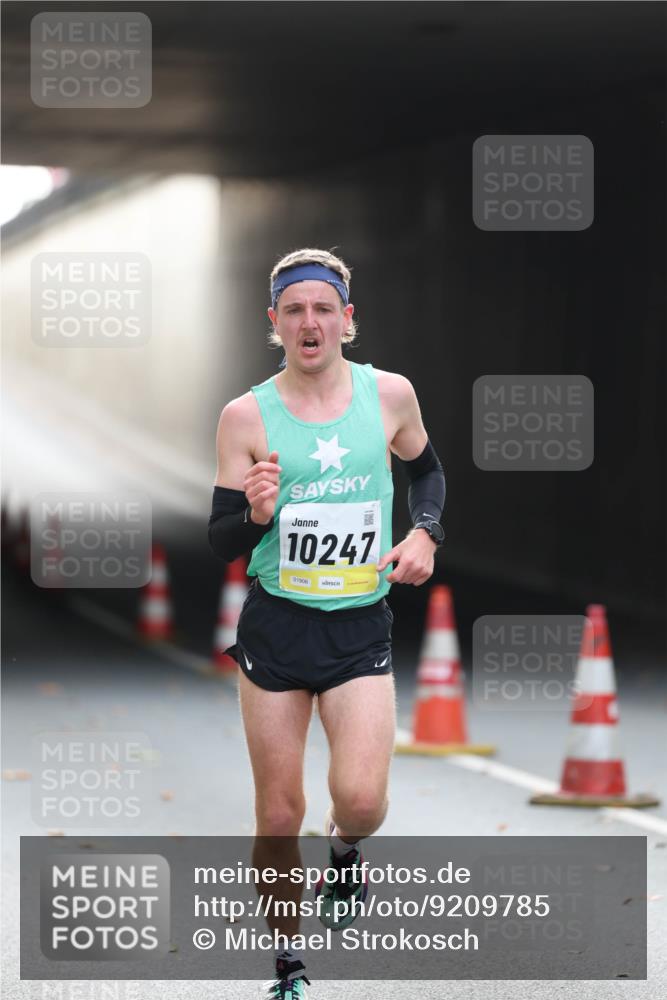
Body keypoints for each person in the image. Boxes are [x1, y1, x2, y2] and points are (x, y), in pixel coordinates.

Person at [208, 248, 446, 998]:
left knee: (363, 800)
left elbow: (427, 472)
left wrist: (424, 532)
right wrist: (253, 513)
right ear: (273, 324)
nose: (309, 322)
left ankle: (345, 856)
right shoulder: (245, 415)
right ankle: (288, 967)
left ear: (348, 319)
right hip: (278, 627)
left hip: (356, 627)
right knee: (278, 815)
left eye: (322, 308)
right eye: (293, 310)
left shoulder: (390, 397)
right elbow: (218, 537)